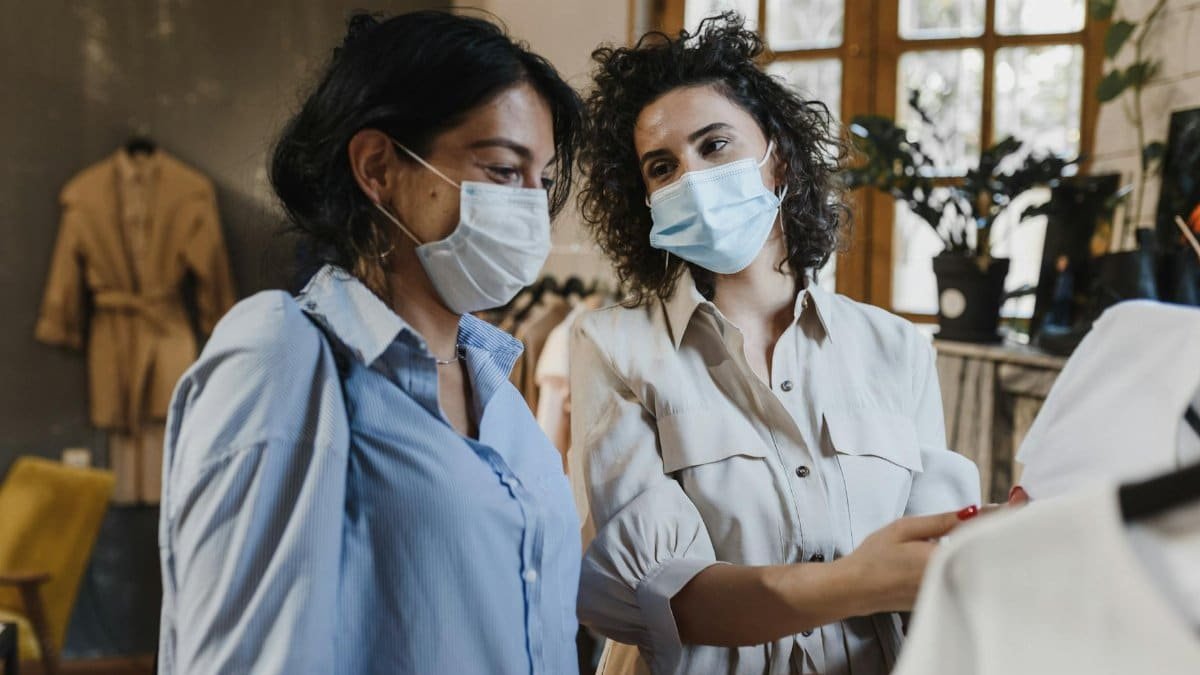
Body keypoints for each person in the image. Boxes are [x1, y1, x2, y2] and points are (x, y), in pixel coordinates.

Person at [157, 12, 584, 674]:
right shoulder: (288, 354)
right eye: (503, 169)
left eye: (544, 180)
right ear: (379, 166)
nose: (532, 206)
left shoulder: (498, 386)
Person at [571, 14, 981, 674]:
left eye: (714, 146)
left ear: (778, 159)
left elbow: (934, 571)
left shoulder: (897, 347)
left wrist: (993, 543)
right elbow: (653, 592)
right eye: (662, 166)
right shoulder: (614, 346)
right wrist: (861, 580)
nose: (693, 178)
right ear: (644, 200)